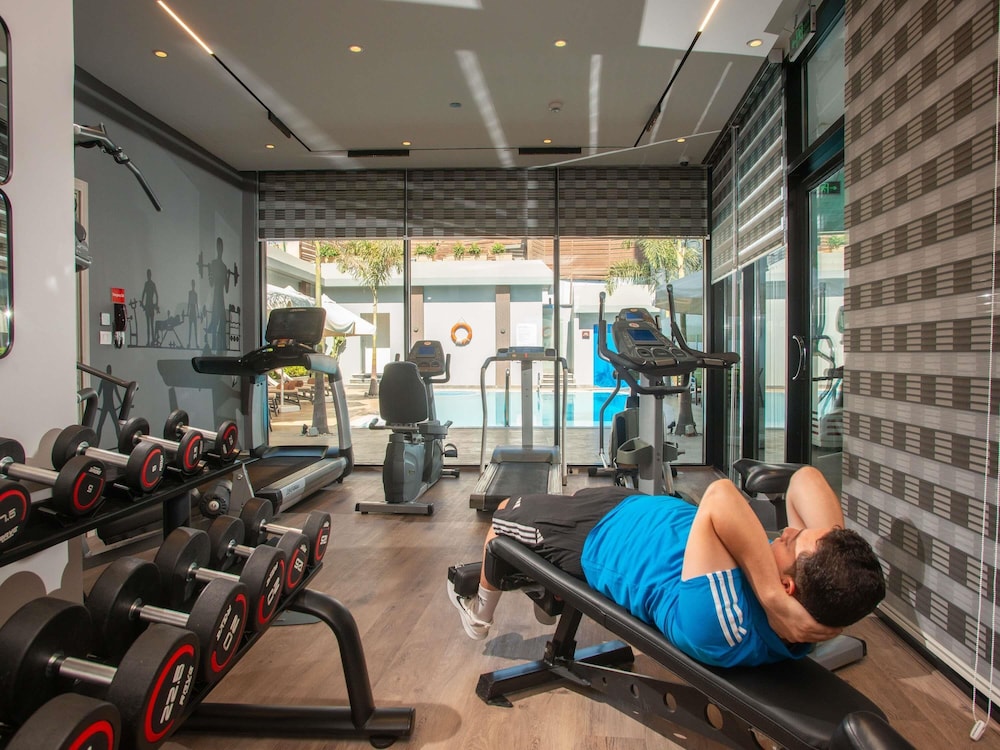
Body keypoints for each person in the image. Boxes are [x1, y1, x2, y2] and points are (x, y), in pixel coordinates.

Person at [447, 466, 886, 668]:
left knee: (502, 519)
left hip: (597, 540)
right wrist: (827, 550)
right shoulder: (810, 601)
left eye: (792, 542)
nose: (786, 532)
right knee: (573, 496)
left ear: (787, 588)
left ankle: (478, 614)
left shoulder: (724, 622)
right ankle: (550, 595)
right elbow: (807, 478)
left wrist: (770, 597)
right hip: (635, 511)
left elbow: (720, 496)